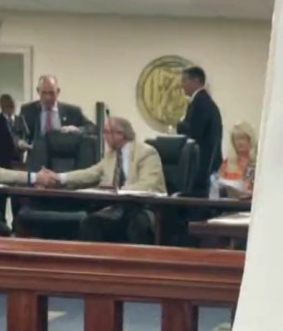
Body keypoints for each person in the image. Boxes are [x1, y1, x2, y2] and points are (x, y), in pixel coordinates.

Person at [49, 116, 165, 244]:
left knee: (137, 223)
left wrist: (119, 191)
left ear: (120, 134)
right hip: (118, 208)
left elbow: (148, 184)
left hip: (145, 208)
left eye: (107, 132)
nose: (104, 136)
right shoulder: (111, 155)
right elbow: (91, 173)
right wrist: (59, 177)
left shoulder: (147, 152)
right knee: (91, 223)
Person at [16, 75, 95, 151]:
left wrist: (77, 130)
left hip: (64, 156)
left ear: (58, 91)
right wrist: (19, 142)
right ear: (38, 91)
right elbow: (16, 133)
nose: (48, 97)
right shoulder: (28, 110)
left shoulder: (72, 111)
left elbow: (92, 128)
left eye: (51, 93)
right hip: (36, 155)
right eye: (44, 93)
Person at [176, 66, 222, 195]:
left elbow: (194, 133)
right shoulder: (203, 101)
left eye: (184, 80)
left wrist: (180, 125)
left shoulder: (200, 102)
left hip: (201, 167)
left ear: (196, 80)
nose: (182, 85)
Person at [218, 121, 257, 199]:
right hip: (230, 201)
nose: (239, 142)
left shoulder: (258, 162)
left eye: (242, 138)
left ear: (250, 139)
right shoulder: (226, 163)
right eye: (235, 139)